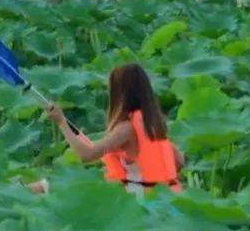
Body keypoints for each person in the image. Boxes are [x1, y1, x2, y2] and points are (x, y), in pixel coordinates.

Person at [30, 63, 184, 195]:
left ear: (121, 94)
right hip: (167, 199)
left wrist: (62, 123)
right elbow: (179, 160)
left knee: (57, 186)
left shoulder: (126, 128)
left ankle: (21, 190)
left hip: (140, 202)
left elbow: (87, 155)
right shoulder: (155, 124)